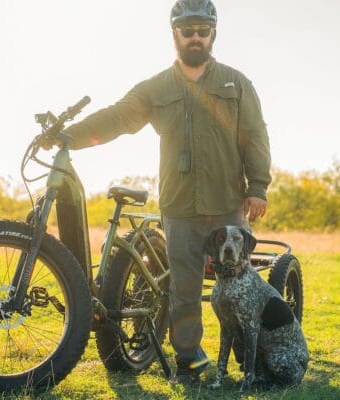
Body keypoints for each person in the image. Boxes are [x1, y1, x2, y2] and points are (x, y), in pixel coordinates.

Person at [61, 0, 272, 385]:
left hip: (227, 203)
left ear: (213, 33)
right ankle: (190, 363)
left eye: (202, 31)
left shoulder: (235, 83)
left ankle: (249, 361)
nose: (195, 37)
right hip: (179, 207)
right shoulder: (156, 88)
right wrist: (68, 137)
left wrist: (257, 186)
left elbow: (255, 136)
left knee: (238, 288)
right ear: (174, 33)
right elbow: (117, 117)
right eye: (187, 30)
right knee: (185, 292)